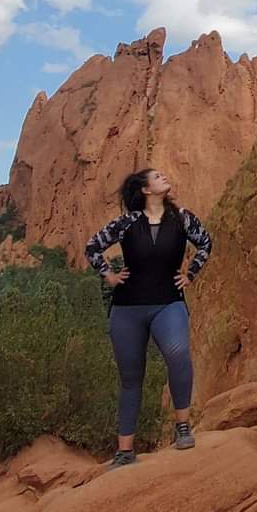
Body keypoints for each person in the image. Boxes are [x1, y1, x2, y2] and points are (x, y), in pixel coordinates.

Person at [84, 167, 212, 469]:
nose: (163, 177)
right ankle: (125, 451)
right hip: (127, 309)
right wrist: (109, 275)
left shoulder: (182, 218)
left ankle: (182, 427)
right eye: (157, 176)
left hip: (168, 302)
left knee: (178, 355)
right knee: (131, 380)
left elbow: (206, 243)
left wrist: (190, 273)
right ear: (145, 189)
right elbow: (92, 247)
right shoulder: (127, 222)